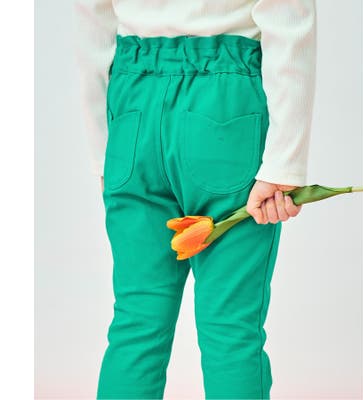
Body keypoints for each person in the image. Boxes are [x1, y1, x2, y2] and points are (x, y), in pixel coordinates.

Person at [73, 1, 316, 399]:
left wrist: (102, 149)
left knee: (137, 322)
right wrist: (284, 163)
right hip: (225, 105)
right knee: (231, 328)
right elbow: (288, 17)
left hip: (132, 105)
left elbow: (91, 20)